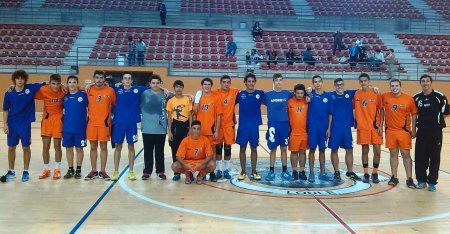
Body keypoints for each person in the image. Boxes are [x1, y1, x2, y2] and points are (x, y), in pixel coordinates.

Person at [2, 70, 44, 182]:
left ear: (25, 79)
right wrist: (4, 124)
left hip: (24, 124)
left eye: (22, 78)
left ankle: (25, 171)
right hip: (12, 124)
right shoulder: (9, 93)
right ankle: (11, 171)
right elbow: (5, 110)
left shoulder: (30, 88)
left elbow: (47, 82)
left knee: (26, 147)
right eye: (17, 78)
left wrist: (63, 85)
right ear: (14, 79)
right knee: (11, 147)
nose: (20, 80)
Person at [413, 74, 449, 191]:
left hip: (435, 131)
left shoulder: (439, 96)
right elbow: (414, 114)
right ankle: (421, 180)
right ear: (420, 83)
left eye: (427, 81)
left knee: (434, 157)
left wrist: (435, 121)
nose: (425, 83)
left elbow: (446, 112)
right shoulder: (416, 97)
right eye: (423, 81)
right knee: (420, 157)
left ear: (431, 82)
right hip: (422, 131)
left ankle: (432, 182)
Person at [110, 72, 148, 181]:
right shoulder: (116, 89)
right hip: (118, 123)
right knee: (118, 147)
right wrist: (90, 84)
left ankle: (131, 171)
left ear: (132, 81)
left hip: (131, 124)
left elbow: (154, 87)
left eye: (129, 78)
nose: (127, 80)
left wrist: (164, 89)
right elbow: (101, 84)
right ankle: (115, 171)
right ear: (122, 80)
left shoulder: (137, 89)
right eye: (125, 78)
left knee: (131, 146)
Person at [381, 78, 417, 188]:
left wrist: (414, 129)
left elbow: (414, 114)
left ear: (400, 86)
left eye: (396, 86)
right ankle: (394, 176)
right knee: (393, 154)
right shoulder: (385, 96)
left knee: (406, 154)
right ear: (390, 87)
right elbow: (381, 109)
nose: (394, 88)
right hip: (390, 131)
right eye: (392, 86)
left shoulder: (408, 99)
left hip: (404, 131)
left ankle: (409, 178)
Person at [85, 70, 116, 181]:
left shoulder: (110, 90)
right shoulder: (88, 89)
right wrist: (89, 85)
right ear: (93, 78)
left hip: (104, 124)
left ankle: (103, 171)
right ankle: (93, 171)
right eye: (97, 77)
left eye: (101, 77)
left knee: (103, 147)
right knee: (93, 147)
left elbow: (115, 102)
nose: (99, 79)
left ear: (104, 79)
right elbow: (73, 88)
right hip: (91, 124)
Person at [327, 78, 360, 182]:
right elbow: (317, 93)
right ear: (334, 85)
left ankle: (350, 171)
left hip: (346, 128)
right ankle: (336, 172)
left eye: (341, 84)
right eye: (337, 85)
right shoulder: (330, 95)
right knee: (334, 149)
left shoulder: (349, 93)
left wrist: (374, 88)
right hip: (335, 128)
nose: (339, 86)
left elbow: (362, 89)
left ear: (344, 85)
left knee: (349, 149)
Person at [353, 73, 383, 183]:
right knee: (364, 150)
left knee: (377, 151)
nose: (363, 82)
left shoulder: (376, 93)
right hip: (363, 126)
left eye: (365, 80)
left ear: (369, 81)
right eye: (361, 81)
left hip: (375, 126)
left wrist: (380, 125)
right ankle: (366, 173)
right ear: (359, 82)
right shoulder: (356, 94)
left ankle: (374, 173)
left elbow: (381, 109)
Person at [35, 74, 65, 180]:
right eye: (53, 84)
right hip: (47, 120)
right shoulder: (43, 89)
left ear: (60, 83)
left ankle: (57, 169)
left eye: (58, 84)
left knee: (57, 146)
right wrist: (13, 86)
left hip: (58, 119)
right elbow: (29, 92)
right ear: (49, 83)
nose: (56, 86)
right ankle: (46, 169)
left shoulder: (64, 89)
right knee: (45, 146)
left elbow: (78, 88)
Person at [235, 73, 265, 180]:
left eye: (253, 81)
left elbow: (271, 101)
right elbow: (229, 104)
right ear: (245, 82)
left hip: (254, 126)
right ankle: (243, 171)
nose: (251, 83)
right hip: (243, 126)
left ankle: (254, 170)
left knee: (254, 148)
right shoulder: (240, 94)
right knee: (242, 148)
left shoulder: (260, 93)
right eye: (249, 81)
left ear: (255, 82)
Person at [264, 73, 292, 181]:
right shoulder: (268, 95)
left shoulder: (287, 94)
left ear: (282, 81)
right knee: (273, 148)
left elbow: (300, 94)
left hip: (284, 124)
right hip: (273, 124)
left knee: (284, 148)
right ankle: (271, 171)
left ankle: (284, 170)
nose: (278, 82)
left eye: (280, 80)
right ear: (273, 82)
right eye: (276, 80)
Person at [140, 74, 168, 180]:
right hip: (147, 128)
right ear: (150, 84)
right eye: (153, 83)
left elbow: (179, 95)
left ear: (160, 83)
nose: (155, 85)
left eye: (157, 83)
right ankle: (147, 171)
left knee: (159, 152)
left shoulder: (165, 94)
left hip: (161, 128)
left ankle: (160, 171)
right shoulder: (144, 94)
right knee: (148, 151)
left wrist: (191, 96)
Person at [193, 77, 221, 182]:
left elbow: (218, 116)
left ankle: (212, 172)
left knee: (212, 152)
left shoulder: (215, 98)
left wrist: (217, 130)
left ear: (211, 86)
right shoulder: (197, 98)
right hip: (200, 131)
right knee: (202, 153)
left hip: (211, 130)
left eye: (209, 84)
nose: (207, 86)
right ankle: (203, 172)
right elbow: (194, 114)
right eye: (205, 84)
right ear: (202, 86)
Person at [171, 120, 215, 185]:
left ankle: (201, 174)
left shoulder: (205, 139)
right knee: (174, 166)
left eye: (198, 129)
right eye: (194, 128)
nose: (196, 131)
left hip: (200, 162)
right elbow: (178, 156)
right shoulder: (185, 140)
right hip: (188, 162)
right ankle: (187, 173)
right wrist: (186, 165)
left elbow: (210, 155)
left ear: (200, 130)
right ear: (191, 129)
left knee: (212, 164)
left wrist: (200, 164)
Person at [213, 75, 240, 180]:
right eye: (224, 82)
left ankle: (226, 169)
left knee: (228, 149)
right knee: (218, 148)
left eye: (228, 82)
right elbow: (200, 93)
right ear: (220, 83)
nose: (226, 84)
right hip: (218, 125)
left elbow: (248, 91)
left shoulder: (234, 91)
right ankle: (219, 169)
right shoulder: (215, 92)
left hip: (229, 125)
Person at [62, 75, 88, 179]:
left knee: (79, 148)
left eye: (74, 82)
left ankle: (78, 169)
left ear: (77, 84)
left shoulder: (83, 95)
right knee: (68, 148)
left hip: (80, 128)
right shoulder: (64, 97)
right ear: (67, 84)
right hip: (67, 128)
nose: (72, 84)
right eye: (70, 82)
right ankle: (70, 169)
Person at [166, 80, 193, 181]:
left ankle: (188, 172)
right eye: (177, 87)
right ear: (174, 88)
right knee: (175, 150)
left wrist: (190, 129)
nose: (179, 88)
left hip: (185, 125)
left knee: (187, 151)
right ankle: (177, 172)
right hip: (175, 125)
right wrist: (170, 132)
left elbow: (190, 115)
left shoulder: (187, 99)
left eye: (180, 87)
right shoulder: (170, 101)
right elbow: (169, 117)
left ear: (183, 88)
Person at [306, 75, 330, 182]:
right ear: (313, 84)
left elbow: (330, 114)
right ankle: (311, 172)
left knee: (322, 150)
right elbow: (296, 93)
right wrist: (307, 92)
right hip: (312, 128)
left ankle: (322, 171)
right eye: (315, 82)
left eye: (319, 81)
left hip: (323, 129)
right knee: (312, 150)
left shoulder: (327, 96)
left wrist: (328, 128)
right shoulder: (310, 95)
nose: (317, 84)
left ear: (322, 82)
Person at [287, 84, 308, 180]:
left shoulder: (307, 100)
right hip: (293, 132)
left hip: (304, 132)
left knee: (303, 152)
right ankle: (294, 171)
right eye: (298, 93)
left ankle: (302, 171)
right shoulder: (289, 101)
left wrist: (308, 94)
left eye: (302, 93)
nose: (300, 95)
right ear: (294, 92)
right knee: (294, 152)